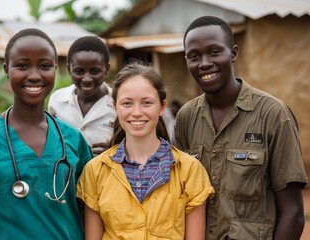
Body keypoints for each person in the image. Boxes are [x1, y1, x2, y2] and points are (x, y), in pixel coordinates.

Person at [0, 28, 93, 239]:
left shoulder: (73, 139)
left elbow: (87, 210)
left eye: (44, 66)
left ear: (55, 69)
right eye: (22, 66)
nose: (34, 75)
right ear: (7, 70)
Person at [175, 15, 308, 240]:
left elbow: (293, 213)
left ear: (233, 53)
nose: (204, 62)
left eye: (215, 51)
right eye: (194, 56)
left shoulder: (273, 114)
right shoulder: (186, 118)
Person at [77, 61, 215, 239]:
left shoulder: (189, 170)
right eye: (127, 103)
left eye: (147, 103)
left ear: (162, 107)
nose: (136, 112)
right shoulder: (95, 171)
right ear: (115, 107)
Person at [48, 36, 116, 156]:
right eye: (79, 72)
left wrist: (116, 149)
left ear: (106, 69)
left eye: (95, 71)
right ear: (69, 69)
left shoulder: (118, 104)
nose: (87, 79)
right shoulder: (57, 101)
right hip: (67, 173)